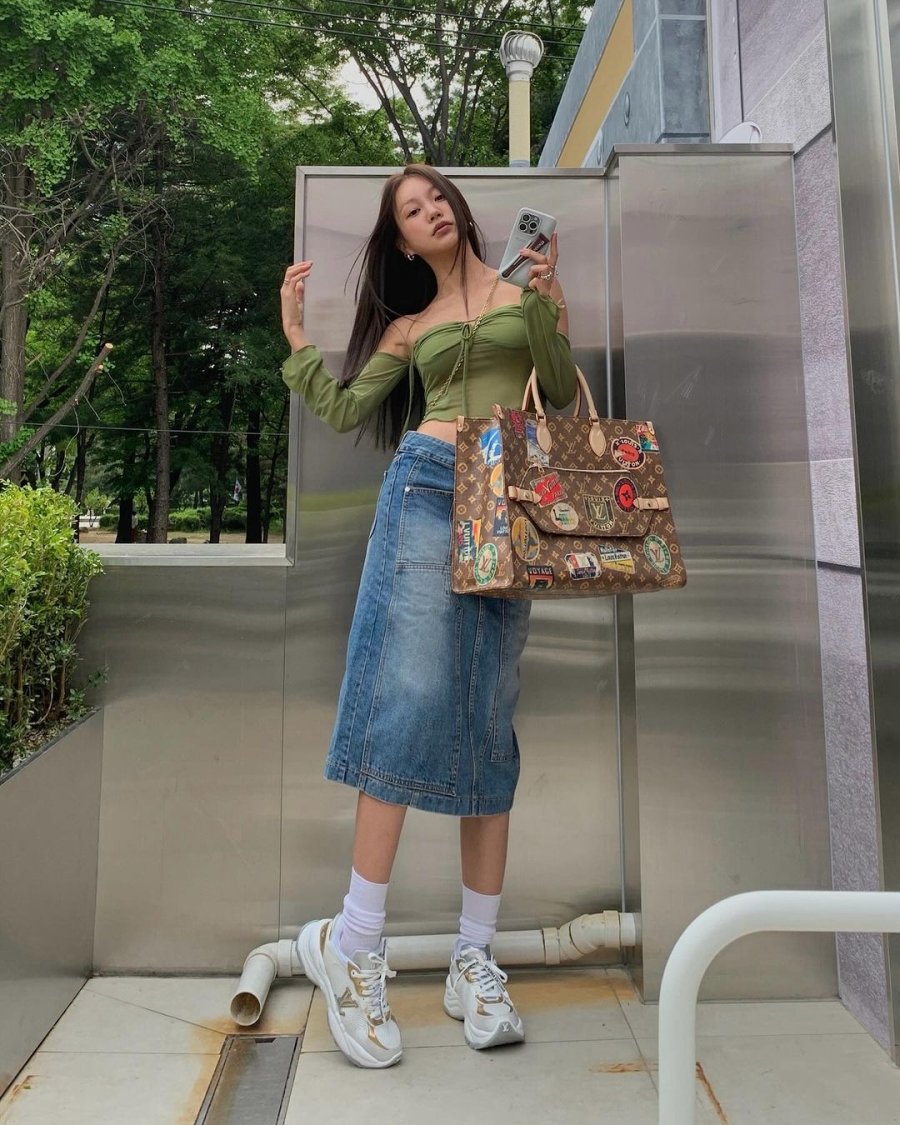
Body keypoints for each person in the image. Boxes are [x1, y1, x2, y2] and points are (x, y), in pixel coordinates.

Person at [279, 164, 577, 1069]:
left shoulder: (523, 293)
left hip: (509, 495)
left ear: (459, 209)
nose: (429, 212)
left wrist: (553, 303)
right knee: (409, 699)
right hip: (423, 489)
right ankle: (353, 942)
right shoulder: (410, 328)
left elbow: (558, 395)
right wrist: (294, 335)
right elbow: (339, 406)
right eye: (411, 211)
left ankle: (472, 959)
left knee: (488, 715)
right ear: (404, 241)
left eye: (436, 197)